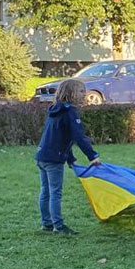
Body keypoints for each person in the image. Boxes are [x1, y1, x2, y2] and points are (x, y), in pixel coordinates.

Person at [35, 80, 102, 235]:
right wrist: (92, 156)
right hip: (53, 160)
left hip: (42, 156)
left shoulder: (55, 110)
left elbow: (62, 137)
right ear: (70, 94)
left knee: (46, 191)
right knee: (55, 192)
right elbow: (78, 136)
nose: (84, 95)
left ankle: (46, 223)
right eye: (80, 91)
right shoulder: (70, 111)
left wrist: (70, 159)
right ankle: (58, 226)